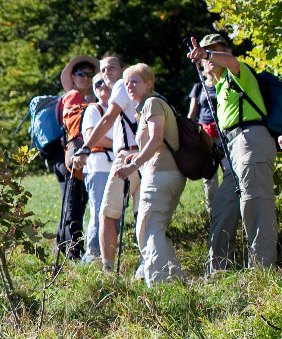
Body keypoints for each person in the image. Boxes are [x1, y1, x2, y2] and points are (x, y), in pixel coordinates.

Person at [188, 33, 277, 270]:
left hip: (252, 141)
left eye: (215, 51)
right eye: (206, 54)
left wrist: (207, 54)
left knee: (256, 204)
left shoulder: (239, 74)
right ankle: (218, 271)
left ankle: (262, 271)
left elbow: (233, 64)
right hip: (233, 147)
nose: (209, 59)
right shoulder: (219, 86)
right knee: (223, 204)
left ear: (226, 52)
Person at [113, 63, 185, 285]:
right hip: (165, 174)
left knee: (147, 228)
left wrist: (133, 167)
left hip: (160, 174)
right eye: (126, 83)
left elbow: (155, 139)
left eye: (134, 81)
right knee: (155, 227)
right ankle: (176, 279)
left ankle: (158, 284)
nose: (129, 87)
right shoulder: (145, 106)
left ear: (149, 83)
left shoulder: (152, 103)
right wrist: (135, 159)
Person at [79, 54, 142, 273]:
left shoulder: (122, 88)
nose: (106, 73)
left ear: (124, 69)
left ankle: (107, 270)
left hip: (127, 157)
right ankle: (147, 264)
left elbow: (107, 120)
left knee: (106, 214)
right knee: (142, 213)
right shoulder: (138, 87)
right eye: (103, 70)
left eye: (111, 68)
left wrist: (86, 148)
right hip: (145, 157)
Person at [56, 55, 98, 259]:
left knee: (72, 203)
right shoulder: (73, 96)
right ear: (72, 76)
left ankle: (63, 246)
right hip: (73, 156)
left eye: (90, 75)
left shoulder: (85, 98)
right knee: (75, 204)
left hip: (71, 155)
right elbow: (73, 123)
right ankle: (73, 252)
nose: (86, 78)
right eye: (81, 74)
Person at [73, 74, 114, 262]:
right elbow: (93, 136)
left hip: (116, 164)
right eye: (98, 83)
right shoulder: (93, 109)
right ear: (94, 89)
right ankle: (93, 253)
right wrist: (120, 144)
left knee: (113, 212)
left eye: (105, 82)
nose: (102, 85)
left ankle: (108, 251)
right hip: (98, 166)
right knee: (99, 211)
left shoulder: (117, 109)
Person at [188, 69, 222, 212]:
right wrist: (189, 133)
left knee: (229, 171)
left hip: (222, 133)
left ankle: (231, 207)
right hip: (205, 135)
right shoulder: (199, 87)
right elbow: (193, 111)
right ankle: (212, 211)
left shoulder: (223, 83)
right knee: (209, 174)